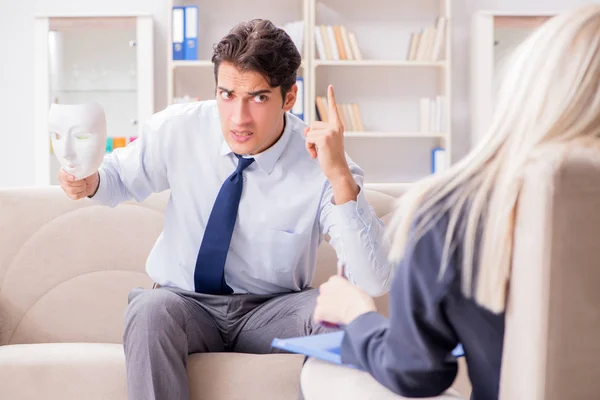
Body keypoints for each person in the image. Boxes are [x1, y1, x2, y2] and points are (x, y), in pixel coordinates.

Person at [58, 19, 392, 400]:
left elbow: (372, 282)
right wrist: (89, 181)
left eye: (259, 97)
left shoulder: (323, 161)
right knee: (150, 310)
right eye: (227, 94)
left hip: (274, 310)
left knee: (340, 313)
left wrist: (340, 179)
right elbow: (117, 175)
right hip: (185, 305)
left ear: (289, 97)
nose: (239, 118)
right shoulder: (180, 128)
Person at [309, 5, 600, 400]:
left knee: (321, 376)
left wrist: (357, 316)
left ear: (531, 87)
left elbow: (415, 373)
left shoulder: (454, 213)